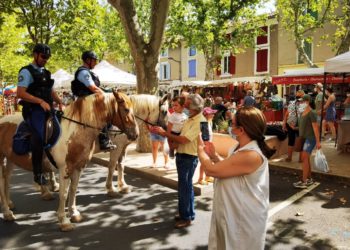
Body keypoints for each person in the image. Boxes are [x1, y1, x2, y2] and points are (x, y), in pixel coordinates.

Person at [197, 106, 276, 250]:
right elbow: (229, 168)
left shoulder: (251, 155)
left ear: (241, 130)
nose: (229, 126)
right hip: (230, 213)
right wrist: (214, 155)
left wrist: (200, 150)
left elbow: (210, 170)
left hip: (243, 219)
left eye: (232, 123)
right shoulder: (238, 148)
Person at [150, 94, 205, 229]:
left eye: (187, 106)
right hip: (183, 155)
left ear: (194, 108)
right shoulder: (190, 118)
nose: (184, 108)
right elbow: (181, 137)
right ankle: (186, 213)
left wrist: (164, 134)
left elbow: (185, 139)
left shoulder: (200, 121)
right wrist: (173, 144)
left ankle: (186, 217)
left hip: (189, 157)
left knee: (184, 188)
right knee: (185, 188)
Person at [17, 43, 64, 185]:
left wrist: (59, 101)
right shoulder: (26, 72)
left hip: (47, 109)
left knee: (61, 129)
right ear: (35, 55)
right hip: (33, 110)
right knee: (39, 135)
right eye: (43, 56)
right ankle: (38, 173)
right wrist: (39, 102)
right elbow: (20, 93)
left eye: (48, 57)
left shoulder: (46, 72)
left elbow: (51, 91)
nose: (46, 59)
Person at [71, 50, 116, 150]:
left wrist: (108, 91)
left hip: (91, 100)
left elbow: (97, 87)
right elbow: (93, 88)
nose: (96, 63)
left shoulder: (89, 72)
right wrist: (108, 96)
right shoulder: (83, 72)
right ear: (88, 60)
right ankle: (103, 141)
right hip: (85, 101)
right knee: (103, 115)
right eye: (94, 60)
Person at [293, 94, 321, 189]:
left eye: (302, 101)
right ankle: (308, 179)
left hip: (310, 139)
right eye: (300, 101)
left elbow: (315, 128)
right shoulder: (302, 112)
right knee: (306, 159)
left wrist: (318, 142)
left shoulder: (312, 113)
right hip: (304, 138)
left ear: (308, 101)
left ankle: (304, 181)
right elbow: (303, 126)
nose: (301, 103)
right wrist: (295, 127)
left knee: (304, 159)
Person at [196, 107, 216, 185]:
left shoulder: (209, 122)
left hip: (208, 144)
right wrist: (203, 145)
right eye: (211, 113)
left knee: (208, 161)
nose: (213, 115)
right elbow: (199, 134)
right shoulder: (203, 122)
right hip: (205, 144)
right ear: (206, 114)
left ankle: (207, 177)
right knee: (204, 162)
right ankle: (200, 178)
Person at [282, 95, 299, 162]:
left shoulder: (292, 104)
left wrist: (284, 123)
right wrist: (284, 123)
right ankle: (290, 157)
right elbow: (287, 114)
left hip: (292, 124)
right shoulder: (295, 105)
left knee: (293, 140)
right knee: (294, 140)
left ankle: (290, 157)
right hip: (293, 124)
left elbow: (286, 114)